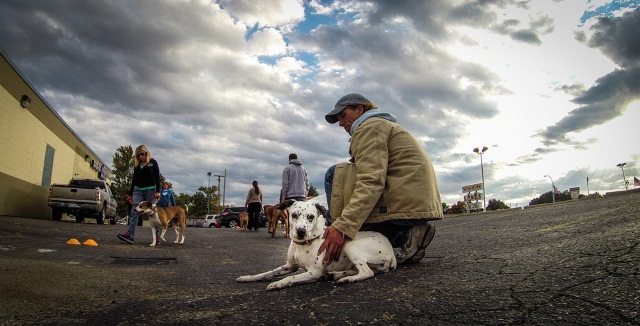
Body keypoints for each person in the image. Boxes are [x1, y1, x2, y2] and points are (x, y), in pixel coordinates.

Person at [319, 93, 443, 265]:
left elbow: (371, 180)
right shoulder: (381, 125)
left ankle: (332, 236)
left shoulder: (369, 127)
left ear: (360, 109)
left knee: (334, 174)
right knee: (361, 235)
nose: (340, 123)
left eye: (343, 115)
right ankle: (407, 236)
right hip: (412, 205)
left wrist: (342, 227)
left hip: (404, 204)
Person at [117, 144, 161, 244]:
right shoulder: (136, 166)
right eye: (138, 155)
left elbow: (157, 177)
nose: (140, 157)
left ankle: (157, 236)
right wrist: (130, 193)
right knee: (134, 211)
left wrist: (158, 190)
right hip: (138, 190)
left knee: (153, 213)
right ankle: (130, 234)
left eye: (142, 154)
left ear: (146, 153)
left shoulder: (152, 163)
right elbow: (134, 180)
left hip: (150, 190)